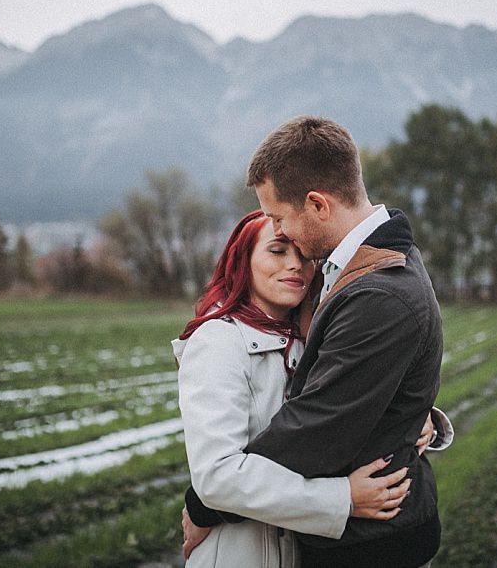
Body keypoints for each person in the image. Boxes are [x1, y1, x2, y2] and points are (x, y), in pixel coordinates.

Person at [186, 116, 446, 568]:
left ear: (318, 205)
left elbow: (316, 428)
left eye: (280, 218)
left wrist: (203, 505)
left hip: (370, 547)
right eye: (271, 236)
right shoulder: (356, 269)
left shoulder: (377, 290)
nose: (280, 232)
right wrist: (409, 413)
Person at [173, 210, 421, 567]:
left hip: (300, 551)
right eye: (277, 251)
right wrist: (342, 498)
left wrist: (420, 416)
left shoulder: (310, 339)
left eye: (304, 256)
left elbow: (341, 407)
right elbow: (217, 477)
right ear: (242, 261)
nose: (295, 265)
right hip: (241, 552)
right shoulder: (218, 342)